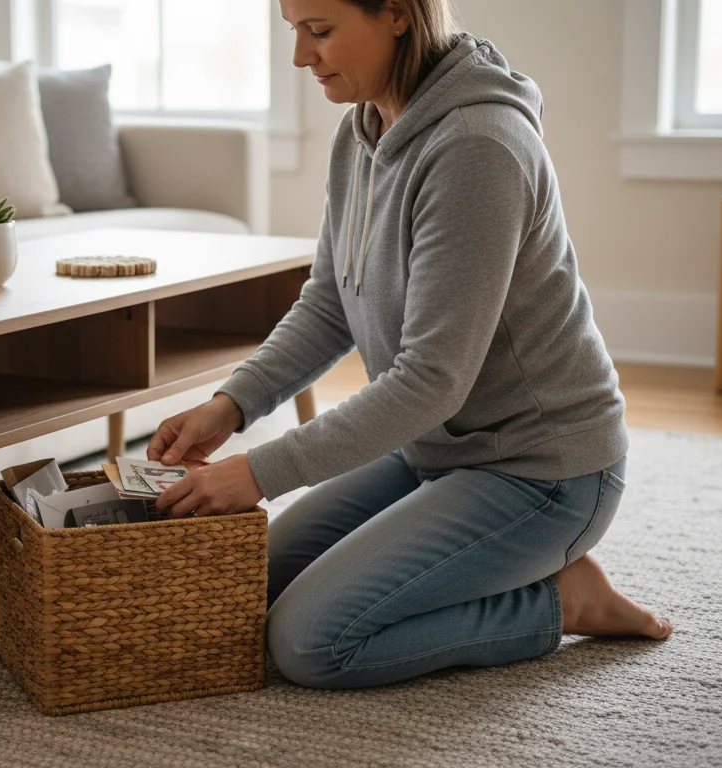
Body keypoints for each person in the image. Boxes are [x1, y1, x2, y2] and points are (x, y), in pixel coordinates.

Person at [145, 0, 672, 690]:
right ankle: (493, 567)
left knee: (310, 642)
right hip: (434, 451)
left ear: (397, 13)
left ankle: (560, 599)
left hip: (543, 472)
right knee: (252, 585)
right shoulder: (360, 130)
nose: (302, 58)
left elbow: (431, 380)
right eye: (293, 32)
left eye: (320, 31)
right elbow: (330, 302)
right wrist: (231, 405)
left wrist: (259, 473)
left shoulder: (479, 147)